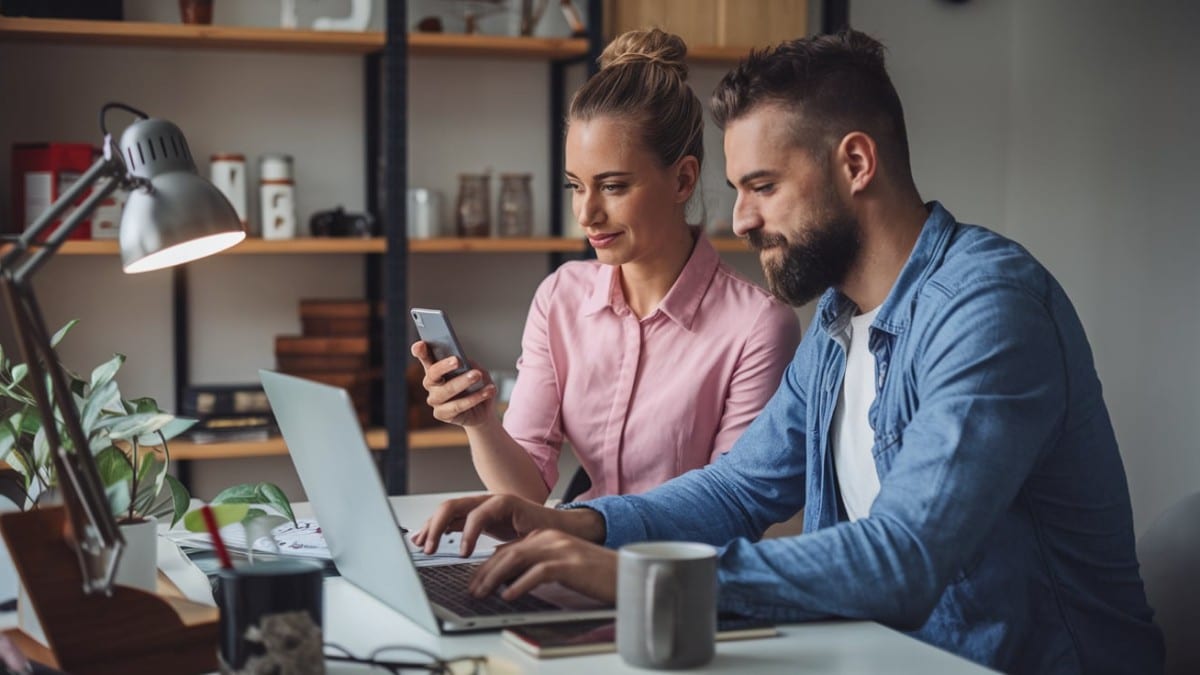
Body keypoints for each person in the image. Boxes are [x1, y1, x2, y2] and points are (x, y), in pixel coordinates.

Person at [413, 29, 1165, 673]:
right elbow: (739, 489)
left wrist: (636, 576)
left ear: (856, 163)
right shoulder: (841, 319)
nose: (739, 218)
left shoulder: (988, 310)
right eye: (738, 188)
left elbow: (903, 556)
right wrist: (580, 525)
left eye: (763, 186)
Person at [411, 29, 800, 503]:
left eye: (613, 186)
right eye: (577, 185)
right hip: (574, 552)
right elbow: (526, 491)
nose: (586, 213)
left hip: (675, 570)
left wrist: (580, 530)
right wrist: (479, 422)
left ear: (682, 179)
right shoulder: (561, 297)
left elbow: (727, 505)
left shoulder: (757, 327)